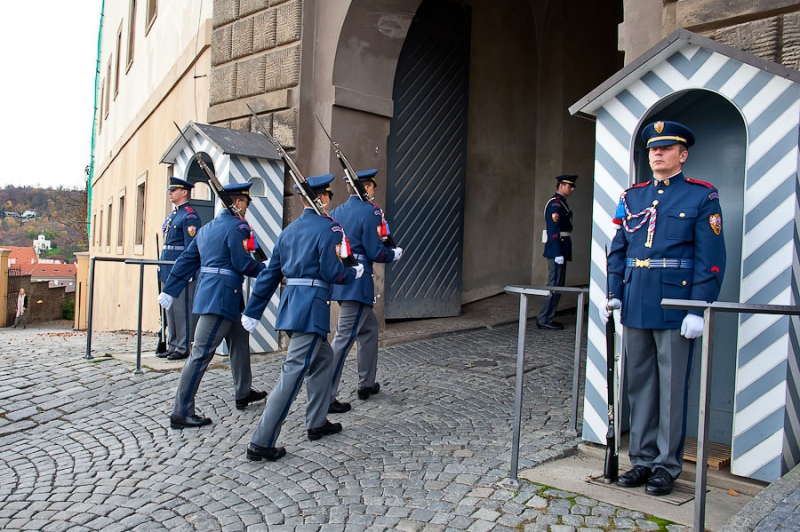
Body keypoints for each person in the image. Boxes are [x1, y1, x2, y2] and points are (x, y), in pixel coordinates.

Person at [600, 120, 726, 496]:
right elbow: (618, 248)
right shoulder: (632, 197)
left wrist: (698, 306)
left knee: (672, 387)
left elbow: (712, 256)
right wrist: (614, 290)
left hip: (676, 302)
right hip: (637, 298)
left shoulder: (701, 196)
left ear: (682, 155)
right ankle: (641, 458)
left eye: (666, 148)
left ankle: (666, 466)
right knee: (639, 384)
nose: (657, 153)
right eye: (653, 148)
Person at [240, 174, 364, 462]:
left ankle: (317, 421)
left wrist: (253, 311)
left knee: (324, 359)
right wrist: (353, 272)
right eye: (328, 197)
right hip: (311, 308)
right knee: (292, 374)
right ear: (321, 198)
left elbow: (271, 275)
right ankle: (261, 441)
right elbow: (333, 271)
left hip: (291, 307)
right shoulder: (329, 229)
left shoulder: (289, 231)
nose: (328, 202)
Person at [158, 182, 268, 429]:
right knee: (200, 355)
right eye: (246, 204)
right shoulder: (238, 226)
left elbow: (187, 259)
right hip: (220, 298)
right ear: (238, 203)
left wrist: (171, 288)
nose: (246, 210)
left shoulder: (207, 229)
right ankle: (181, 411)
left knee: (240, 342)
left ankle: (243, 391)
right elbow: (242, 264)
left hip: (221, 296)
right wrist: (266, 269)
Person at [326, 169, 403, 414]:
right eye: (372, 187)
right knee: (342, 340)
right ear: (367, 187)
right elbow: (374, 250)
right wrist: (393, 254)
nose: (373, 191)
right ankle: (326, 396)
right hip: (358, 285)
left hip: (344, 279)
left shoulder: (337, 212)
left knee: (368, 330)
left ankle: (366, 384)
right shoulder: (370, 212)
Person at [158, 177, 203, 360]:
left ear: (184, 192)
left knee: (181, 308)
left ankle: (183, 346)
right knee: (170, 309)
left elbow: (190, 247)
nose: (170, 193)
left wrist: (187, 271)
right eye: (170, 190)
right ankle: (173, 343)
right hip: (167, 267)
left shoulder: (189, 216)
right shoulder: (174, 214)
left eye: (173, 190)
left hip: (180, 268)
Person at [538, 174, 577, 330]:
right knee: (554, 285)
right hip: (557, 248)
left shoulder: (562, 203)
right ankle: (544, 318)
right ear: (561, 186)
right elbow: (553, 231)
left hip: (562, 247)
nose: (572, 189)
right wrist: (557, 253)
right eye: (570, 186)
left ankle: (548, 316)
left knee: (558, 285)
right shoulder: (555, 205)